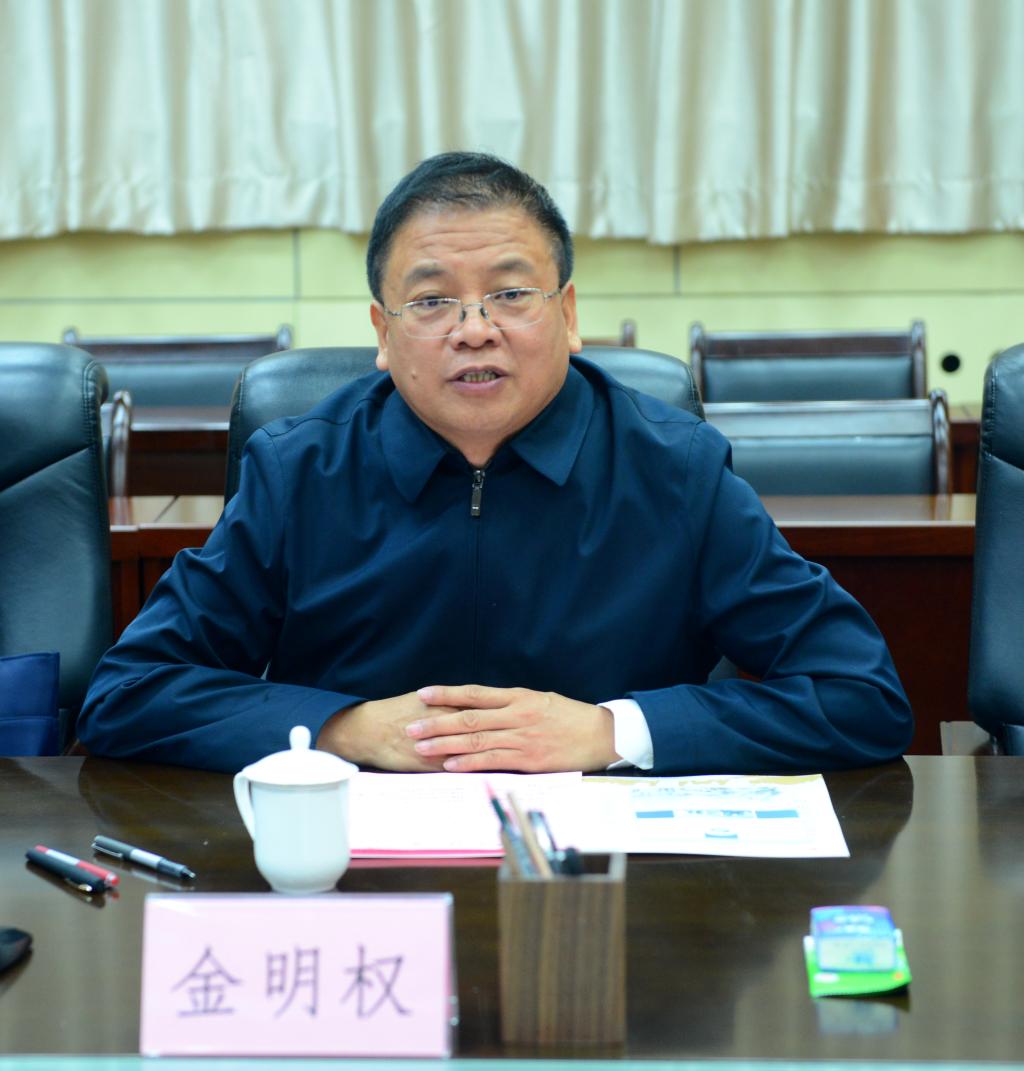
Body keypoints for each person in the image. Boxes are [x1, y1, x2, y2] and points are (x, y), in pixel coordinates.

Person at [78, 151, 913, 774]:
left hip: (611, 892)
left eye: (511, 294)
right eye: (432, 300)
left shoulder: (674, 469)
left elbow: (861, 695)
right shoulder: (299, 471)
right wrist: (345, 729)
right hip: (363, 884)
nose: (474, 330)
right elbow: (128, 693)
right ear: (382, 332)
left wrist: (612, 731)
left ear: (569, 314)